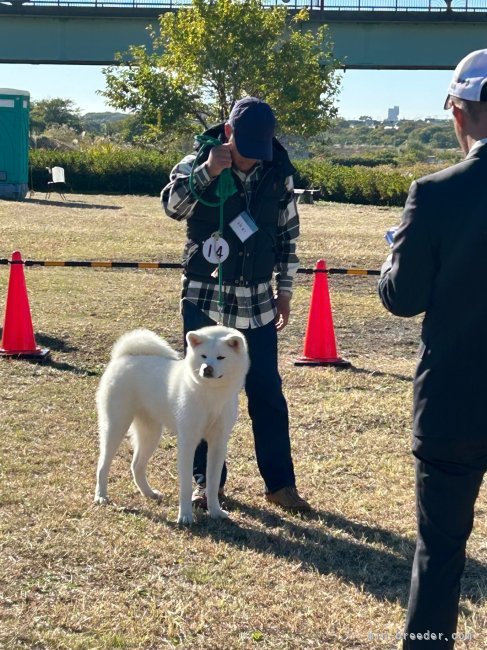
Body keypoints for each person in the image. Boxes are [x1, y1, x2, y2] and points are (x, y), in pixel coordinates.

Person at [378, 49, 487, 648]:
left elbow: (403, 298)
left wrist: (394, 256)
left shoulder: (435, 193)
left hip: (452, 404)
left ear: (459, 114)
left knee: (440, 554)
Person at [161, 97, 311, 513]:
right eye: (244, 150)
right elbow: (172, 208)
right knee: (199, 394)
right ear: (228, 134)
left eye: (259, 150)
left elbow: (288, 236)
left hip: (259, 303)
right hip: (206, 298)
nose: (250, 161)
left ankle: (280, 484)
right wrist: (208, 172)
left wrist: (285, 291)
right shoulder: (195, 162)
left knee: (267, 392)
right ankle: (205, 485)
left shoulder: (277, 173)